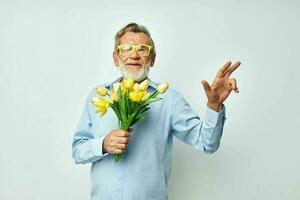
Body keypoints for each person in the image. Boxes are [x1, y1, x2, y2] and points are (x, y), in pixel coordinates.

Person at [72, 22, 240, 200]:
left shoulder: (169, 99)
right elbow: (78, 151)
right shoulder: (99, 96)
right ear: (116, 57)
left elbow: (207, 144)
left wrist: (214, 105)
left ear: (152, 58)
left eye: (143, 49)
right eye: (126, 48)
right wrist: (103, 144)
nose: (134, 55)